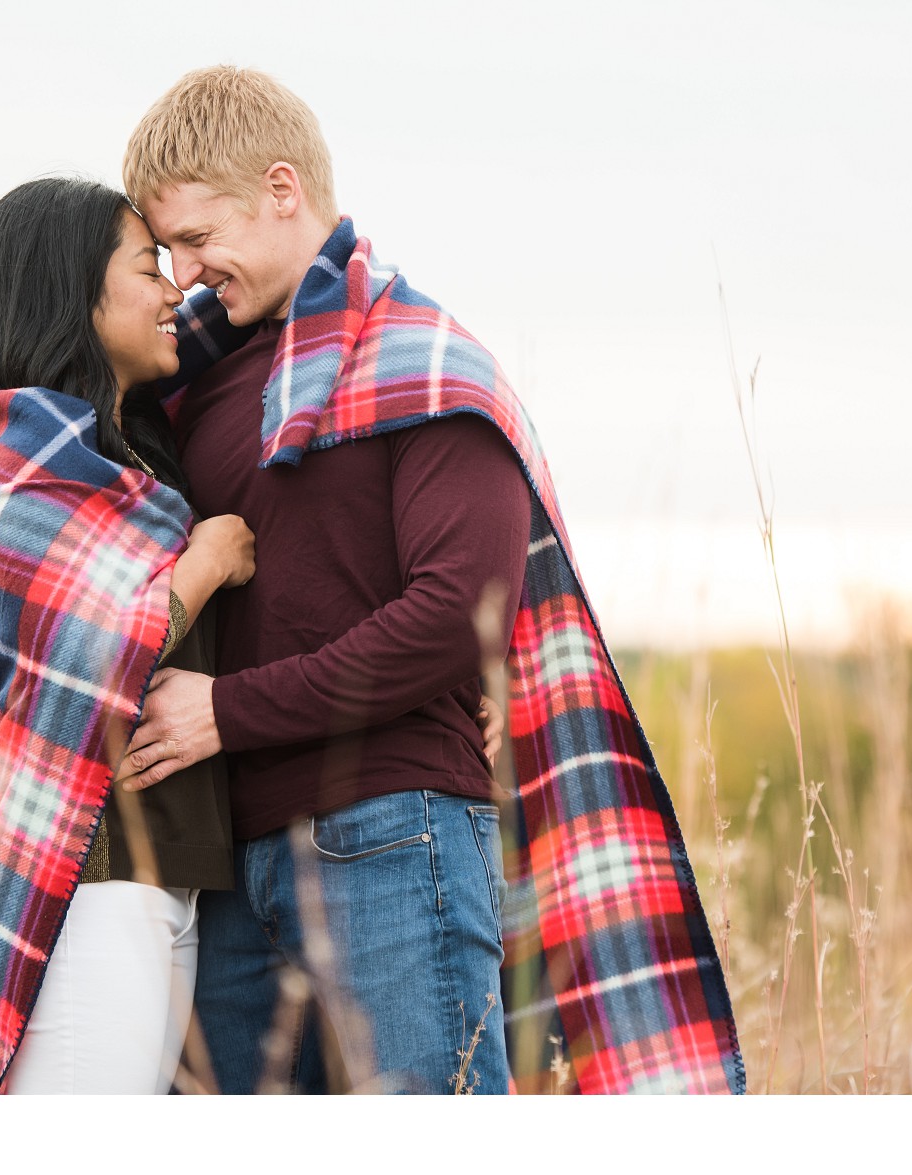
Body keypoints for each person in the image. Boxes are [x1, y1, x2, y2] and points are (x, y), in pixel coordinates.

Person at [115, 66, 746, 1094]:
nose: (183, 273)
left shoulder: (421, 364)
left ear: (283, 190)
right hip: (227, 860)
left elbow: (460, 615)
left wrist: (228, 709)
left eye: (195, 239)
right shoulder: (196, 381)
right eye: (166, 252)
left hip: (390, 834)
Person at [0, 176, 257, 1094]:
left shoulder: (138, 453)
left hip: (173, 878)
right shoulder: (19, 471)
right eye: (147, 264)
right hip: (86, 883)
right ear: (73, 292)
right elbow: (103, 643)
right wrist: (208, 558)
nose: (173, 290)